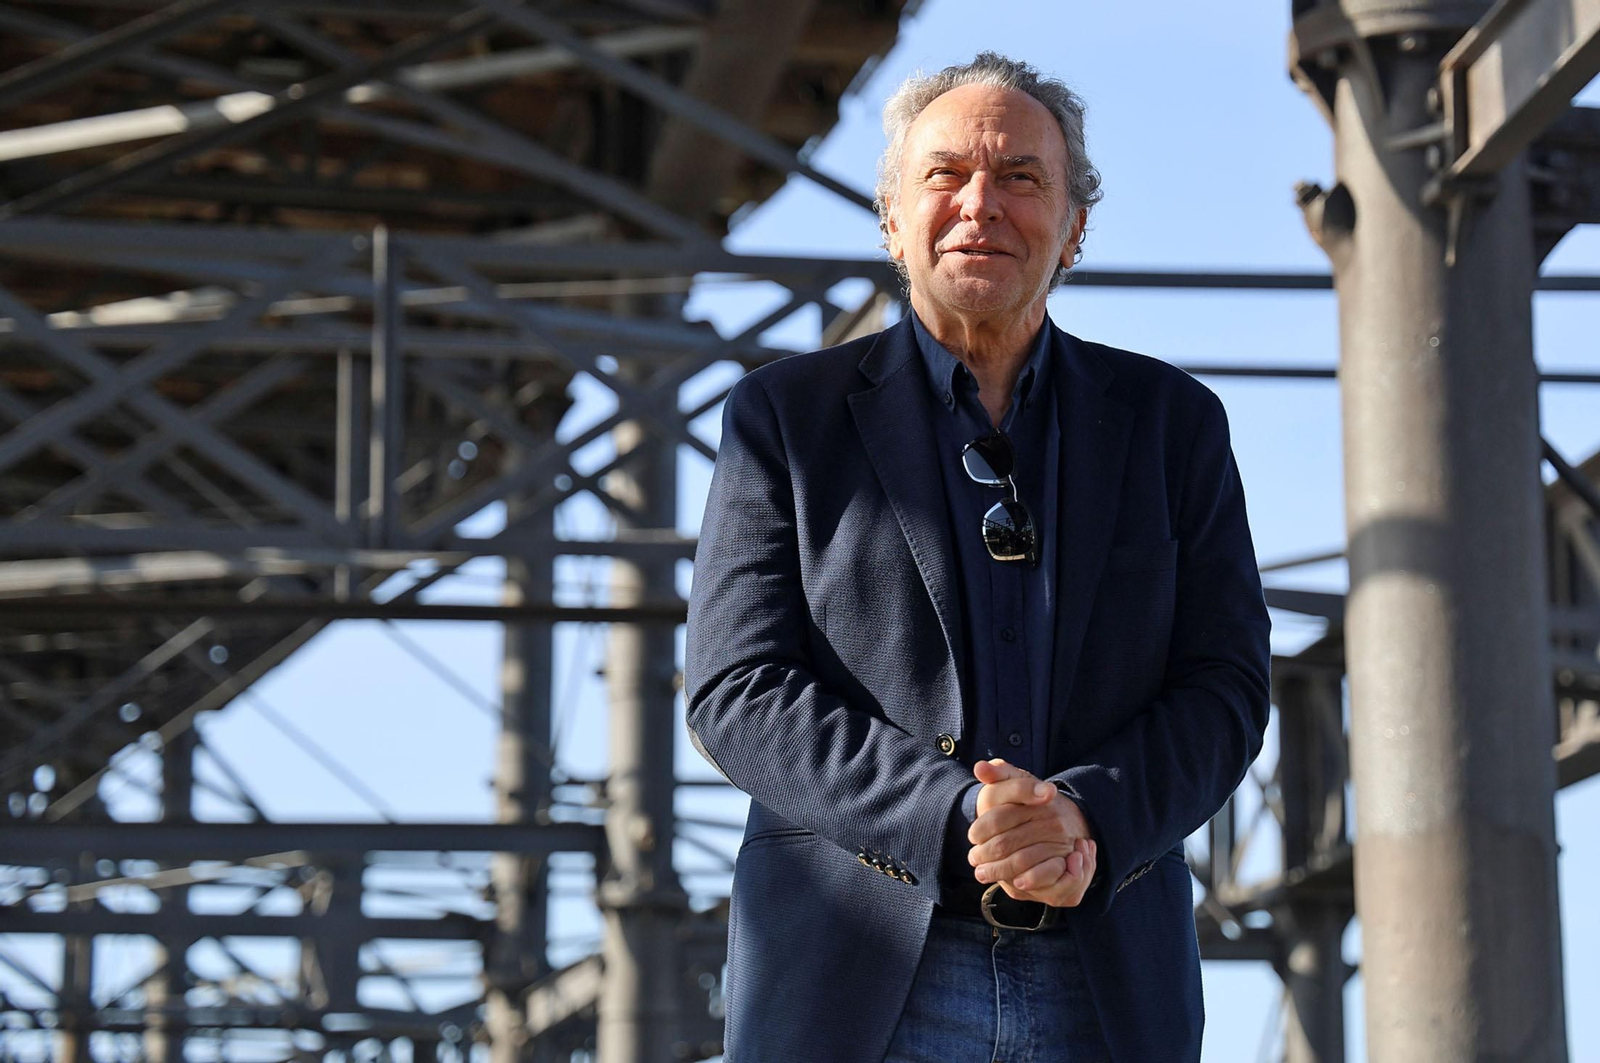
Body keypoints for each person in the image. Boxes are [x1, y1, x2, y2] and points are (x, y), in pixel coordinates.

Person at [684, 52, 1270, 1063]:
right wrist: (953, 817)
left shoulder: (1172, 426)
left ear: (1075, 227)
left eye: (1020, 178)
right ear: (891, 219)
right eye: (945, 174)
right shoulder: (785, 419)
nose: (979, 204)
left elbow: (1225, 686)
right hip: (852, 983)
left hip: (1107, 983)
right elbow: (738, 689)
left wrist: (1084, 815)